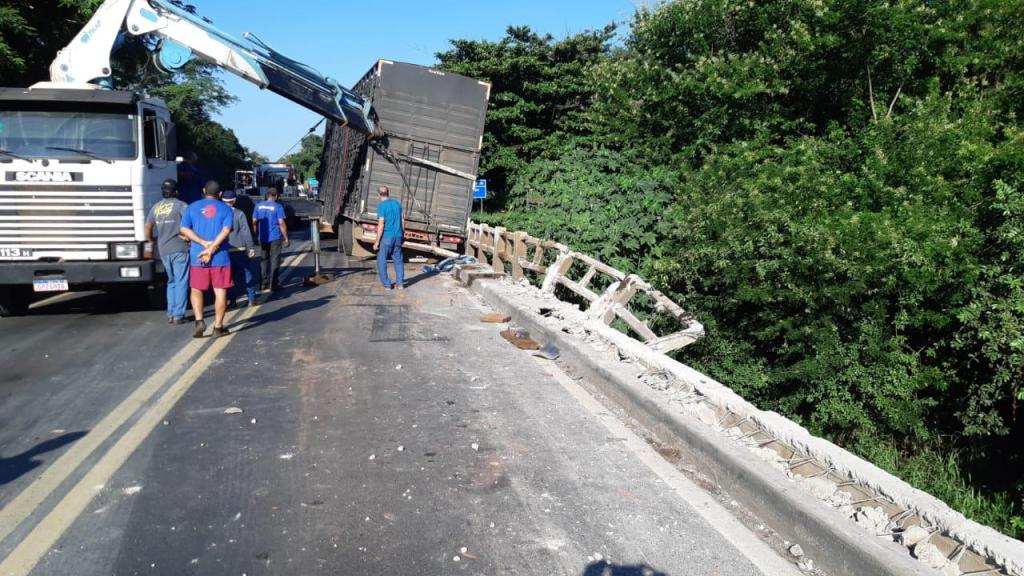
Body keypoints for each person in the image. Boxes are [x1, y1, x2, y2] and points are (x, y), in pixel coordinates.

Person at [180, 180, 233, 338]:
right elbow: (226, 231)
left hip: (198, 256)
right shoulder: (226, 209)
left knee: (196, 289)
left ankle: (199, 321)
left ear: (204, 190)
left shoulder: (192, 207)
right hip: (220, 258)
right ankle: (218, 327)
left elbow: (184, 229)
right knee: (220, 291)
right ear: (221, 194)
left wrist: (204, 244)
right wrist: (212, 249)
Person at [145, 179, 190, 324]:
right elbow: (190, 224)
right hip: (179, 248)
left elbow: (147, 226)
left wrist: (151, 240)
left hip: (163, 249)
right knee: (181, 281)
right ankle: (178, 315)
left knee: (171, 282)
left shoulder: (156, 207)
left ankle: (171, 313)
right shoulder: (181, 205)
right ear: (176, 191)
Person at [222, 190, 260, 308]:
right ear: (234, 201)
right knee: (247, 273)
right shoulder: (239, 213)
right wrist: (251, 247)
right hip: (240, 249)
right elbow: (245, 232)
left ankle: (231, 301)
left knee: (229, 277)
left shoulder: (218, 213)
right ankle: (251, 299)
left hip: (224, 250)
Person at [253, 187, 289, 292]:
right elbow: (281, 223)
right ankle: (273, 284)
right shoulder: (278, 207)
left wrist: (256, 234)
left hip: (262, 237)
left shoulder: (258, 206)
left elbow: (254, 221)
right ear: (276, 196)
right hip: (275, 237)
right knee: (275, 260)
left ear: (267, 195)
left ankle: (263, 283)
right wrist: (286, 237)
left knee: (263, 260)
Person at [373, 186, 405, 290]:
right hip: (398, 236)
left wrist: (377, 242)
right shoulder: (397, 203)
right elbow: (403, 221)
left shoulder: (381, 206)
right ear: (388, 193)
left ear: (379, 195)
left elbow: (381, 224)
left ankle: (387, 285)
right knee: (398, 261)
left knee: (381, 261)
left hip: (387, 237)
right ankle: (400, 284)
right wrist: (402, 234)